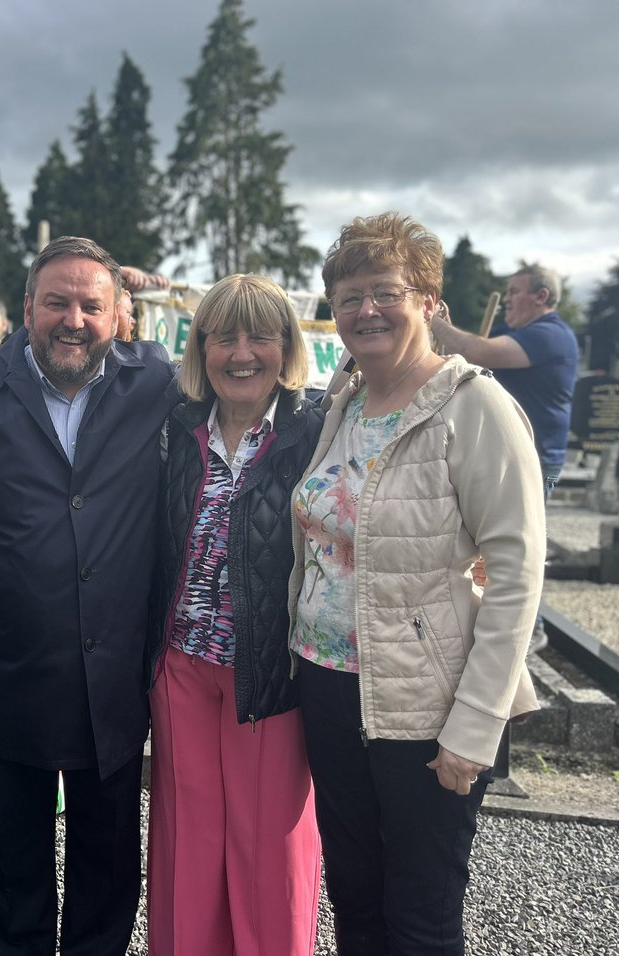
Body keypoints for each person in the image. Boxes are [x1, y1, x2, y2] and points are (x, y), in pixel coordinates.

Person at [289, 213, 544, 955]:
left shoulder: (475, 407)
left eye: (385, 291)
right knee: (356, 901)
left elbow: (517, 573)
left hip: (423, 706)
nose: (365, 309)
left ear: (429, 302)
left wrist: (476, 726)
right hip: (328, 686)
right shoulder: (341, 408)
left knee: (421, 918)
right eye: (349, 297)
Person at [0, 236, 176, 956]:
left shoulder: (158, 384)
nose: (73, 319)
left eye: (92, 305)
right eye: (57, 302)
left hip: (112, 676)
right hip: (9, 672)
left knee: (108, 867)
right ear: (27, 309)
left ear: (120, 316)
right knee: (15, 869)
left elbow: (251, 368)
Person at [150, 274, 323, 955]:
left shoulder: (313, 428)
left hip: (268, 669)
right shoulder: (178, 425)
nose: (242, 353)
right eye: (224, 336)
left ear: (287, 347)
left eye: (261, 336)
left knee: (269, 849)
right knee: (185, 842)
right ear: (201, 348)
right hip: (180, 665)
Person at [430, 264, 578, 652]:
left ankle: (530, 631)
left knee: (519, 547)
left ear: (541, 297)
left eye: (515, 292)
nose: (508, 299)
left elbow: (478, 351)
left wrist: (436, 323)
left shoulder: (549, 335)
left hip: (533, 459)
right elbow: (466, 358)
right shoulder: (523, 335)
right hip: (507, 456)